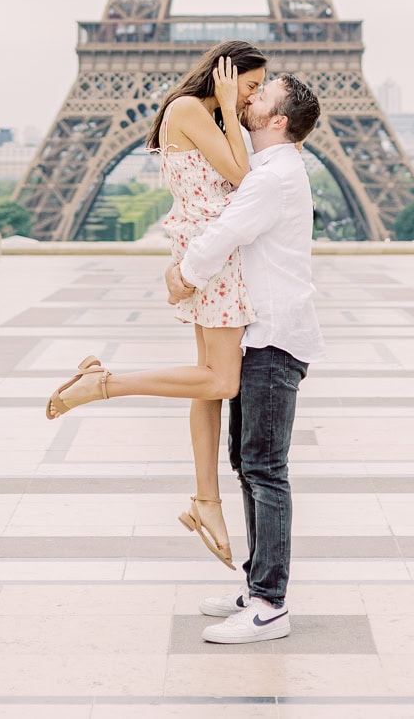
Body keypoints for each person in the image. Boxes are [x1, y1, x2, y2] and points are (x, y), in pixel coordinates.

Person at [45, 40, 268, 567]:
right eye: (250, 85)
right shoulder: (190, 109)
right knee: (224, 381)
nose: (252, 98)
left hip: (209, 247)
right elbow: (244, 179)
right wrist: (231, 109)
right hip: (214, 255)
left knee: (207, 382)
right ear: (224, 75)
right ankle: (105, 384)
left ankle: (207, 501)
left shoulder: (203, 116)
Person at [166, 71, 324, 644]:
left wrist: (181, 276)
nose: (250, 98)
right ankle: (258, 584)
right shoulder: (270, 171)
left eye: (261, 96)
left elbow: (224, 232)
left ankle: (269, 603)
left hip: (273, 338)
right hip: (262, 334)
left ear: (278, 120)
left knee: (264, 469)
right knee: (249, 462)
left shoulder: (272, 178)